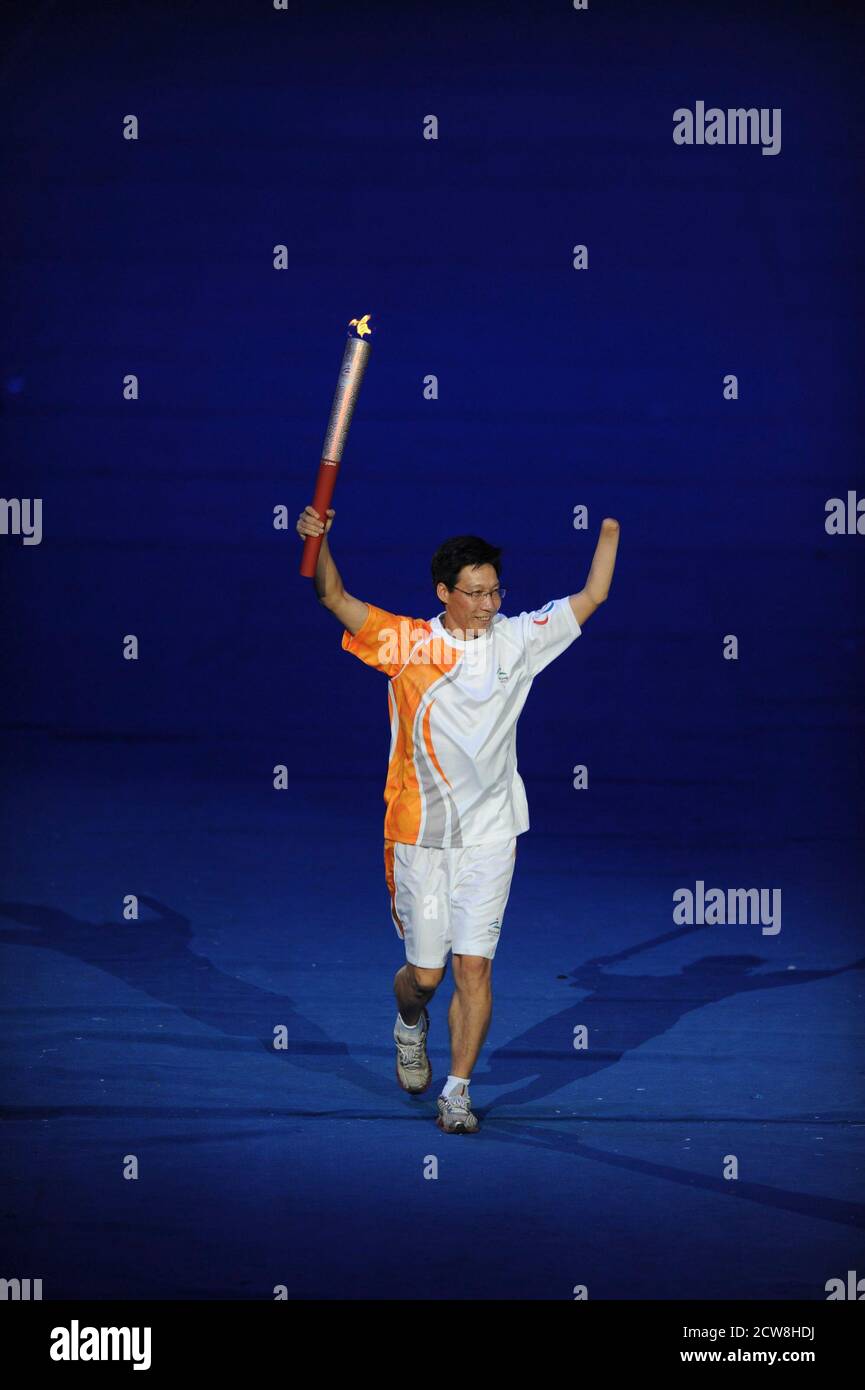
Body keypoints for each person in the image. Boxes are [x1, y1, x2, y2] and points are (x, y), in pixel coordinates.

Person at [296, 503, 620, 1133]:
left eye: (495, 590)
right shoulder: (407, 643)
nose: (488, 604)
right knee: (425, 976)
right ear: (443, 592)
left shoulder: (520, 639)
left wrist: (608, 530)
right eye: (474, 593)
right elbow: (332, 595)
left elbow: (595, 593)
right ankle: (409, 1021)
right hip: (419, 835)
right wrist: (323, 538)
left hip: (494, 832)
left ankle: (458, 1090)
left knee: (475, 965)